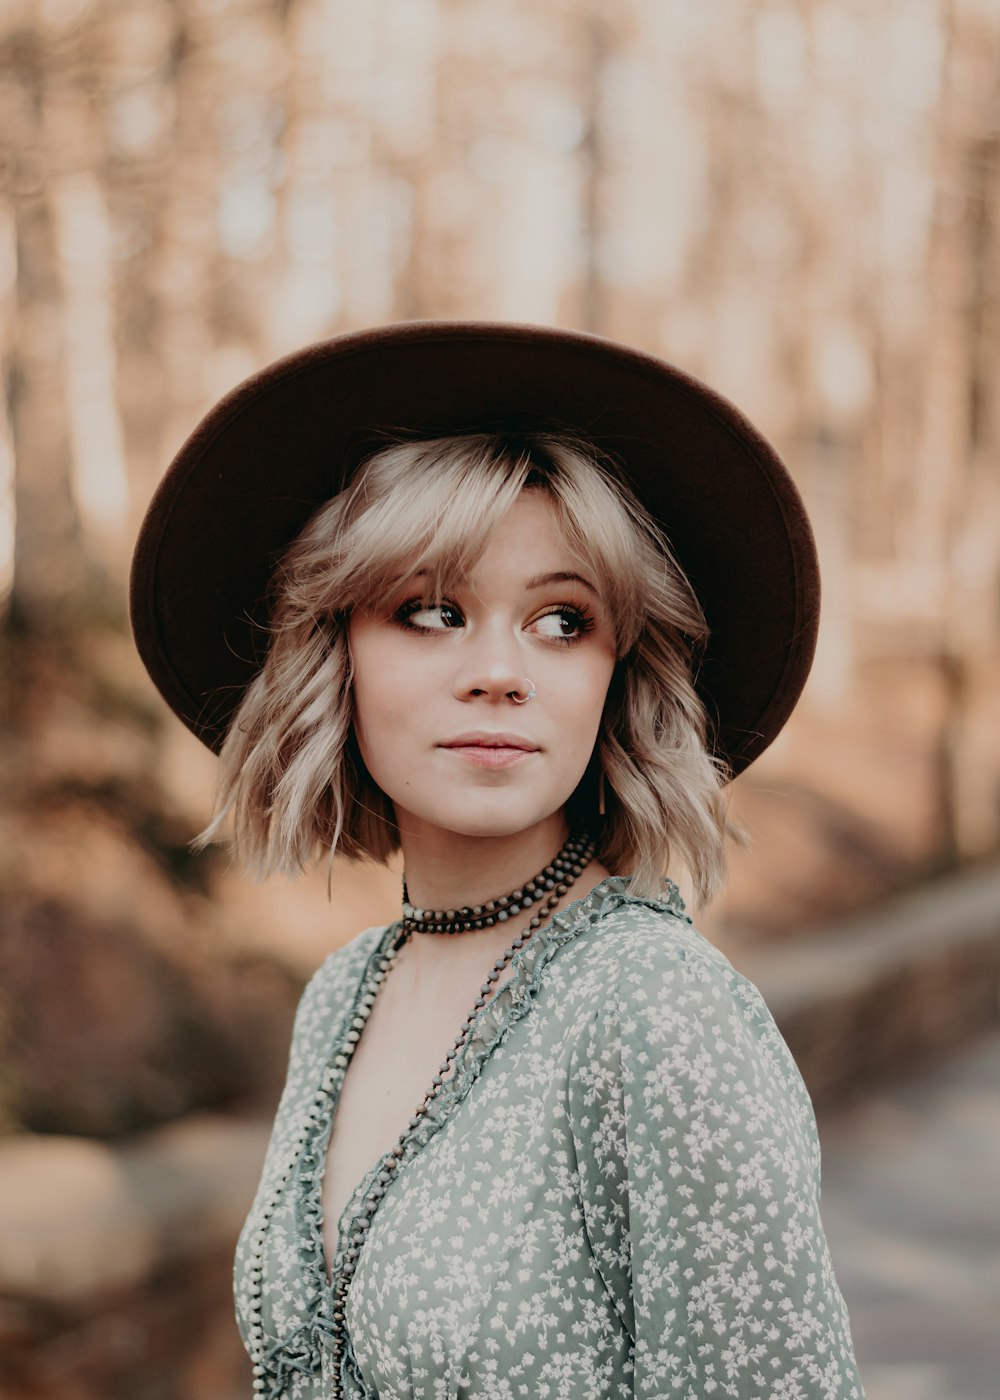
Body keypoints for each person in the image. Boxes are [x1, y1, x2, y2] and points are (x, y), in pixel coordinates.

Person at [130, 321, 866, 1400]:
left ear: (618, 671)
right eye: (430, 610)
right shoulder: (342, 995)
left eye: (562, 620)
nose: (498, 672)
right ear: (333, 654)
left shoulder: (655, 1014)